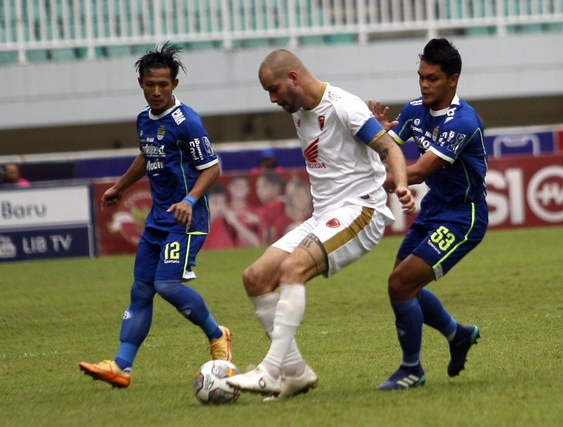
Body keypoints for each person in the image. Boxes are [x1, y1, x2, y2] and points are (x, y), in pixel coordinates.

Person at [225, 49, 415, 400]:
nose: (273, 99)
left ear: (293, 78)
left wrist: (401, 185)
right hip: (324, 216)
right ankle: (296, 373)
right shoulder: (299, 109)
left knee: (293, 268)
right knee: (255, 277)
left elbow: (390, 149)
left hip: (362, 211)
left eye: (274, 89)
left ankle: (270, 370)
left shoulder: (344, 105)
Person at [79, 42, 232, 388]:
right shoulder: (144, 120)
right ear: (141, 84)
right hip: (157, 220)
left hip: (187, 221)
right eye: (151, 85)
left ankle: (217, 334)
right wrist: (120, 186)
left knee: (166, 285)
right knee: (141, 289)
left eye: (164, 85)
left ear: (175, 84)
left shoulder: (187, 122)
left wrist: (190, 201)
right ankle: (121, 366)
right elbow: (146, 157)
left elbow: (212, 169)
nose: (157, 91)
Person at [368, 38, 488, 390]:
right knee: (403, 285)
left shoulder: (463, 122)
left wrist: (379, 186)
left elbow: (418, 170)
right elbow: (390, 147)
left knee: (401, 284)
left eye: (432, 78)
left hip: (463, 217)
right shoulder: (413, 110)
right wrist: (378, 135)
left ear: (453, 79)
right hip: (435, 209)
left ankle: (411, 369)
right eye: (421, 77)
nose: (424, 85)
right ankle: (457, 334)